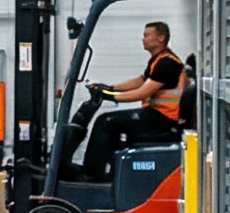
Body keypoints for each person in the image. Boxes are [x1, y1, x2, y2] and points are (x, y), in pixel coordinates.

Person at [80, 20, 187, 180]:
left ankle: (92, 174)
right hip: (157, 116)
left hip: (163, 119)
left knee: (106, 121)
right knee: (112, 124)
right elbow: (141, 81)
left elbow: (143, 92)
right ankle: (108, 173)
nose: (142, 39)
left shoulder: (167, 63)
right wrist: (110, 87)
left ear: (160, 38)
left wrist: (110, 96)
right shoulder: (159, 59)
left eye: (146, 35)